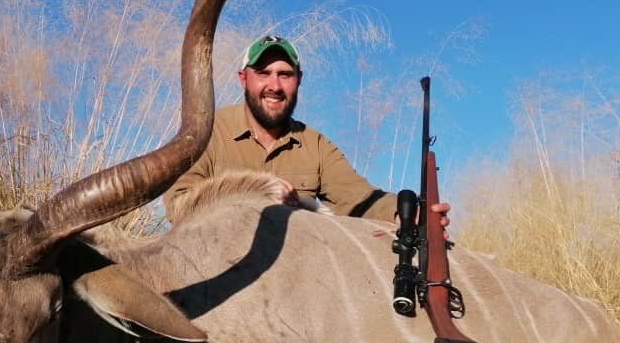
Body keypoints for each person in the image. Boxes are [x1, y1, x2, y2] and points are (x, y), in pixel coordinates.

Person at [164, 34, 451, 231]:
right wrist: (255, 190)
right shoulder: (208, 130)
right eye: (263, 73)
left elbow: (359, 197)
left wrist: (407, 212)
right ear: (244, 78)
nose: (275, 86)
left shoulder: (315, 144)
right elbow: (179, 204)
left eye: (285, 74)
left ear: (298, 80)